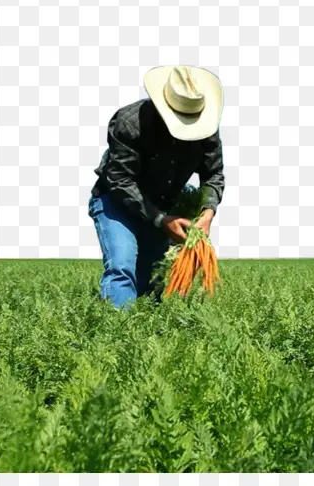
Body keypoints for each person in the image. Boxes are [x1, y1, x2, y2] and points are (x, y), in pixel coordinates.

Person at [88, 65, 225, 309]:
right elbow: (120, 180)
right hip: (117, 202)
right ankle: (113, 338)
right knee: (122, 267)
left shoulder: (206, 130)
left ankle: (144, 334)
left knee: (151, 280)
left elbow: (213, 174)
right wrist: (161, 219)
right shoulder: (130, 123)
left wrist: (207, 213)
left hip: (163, 206)